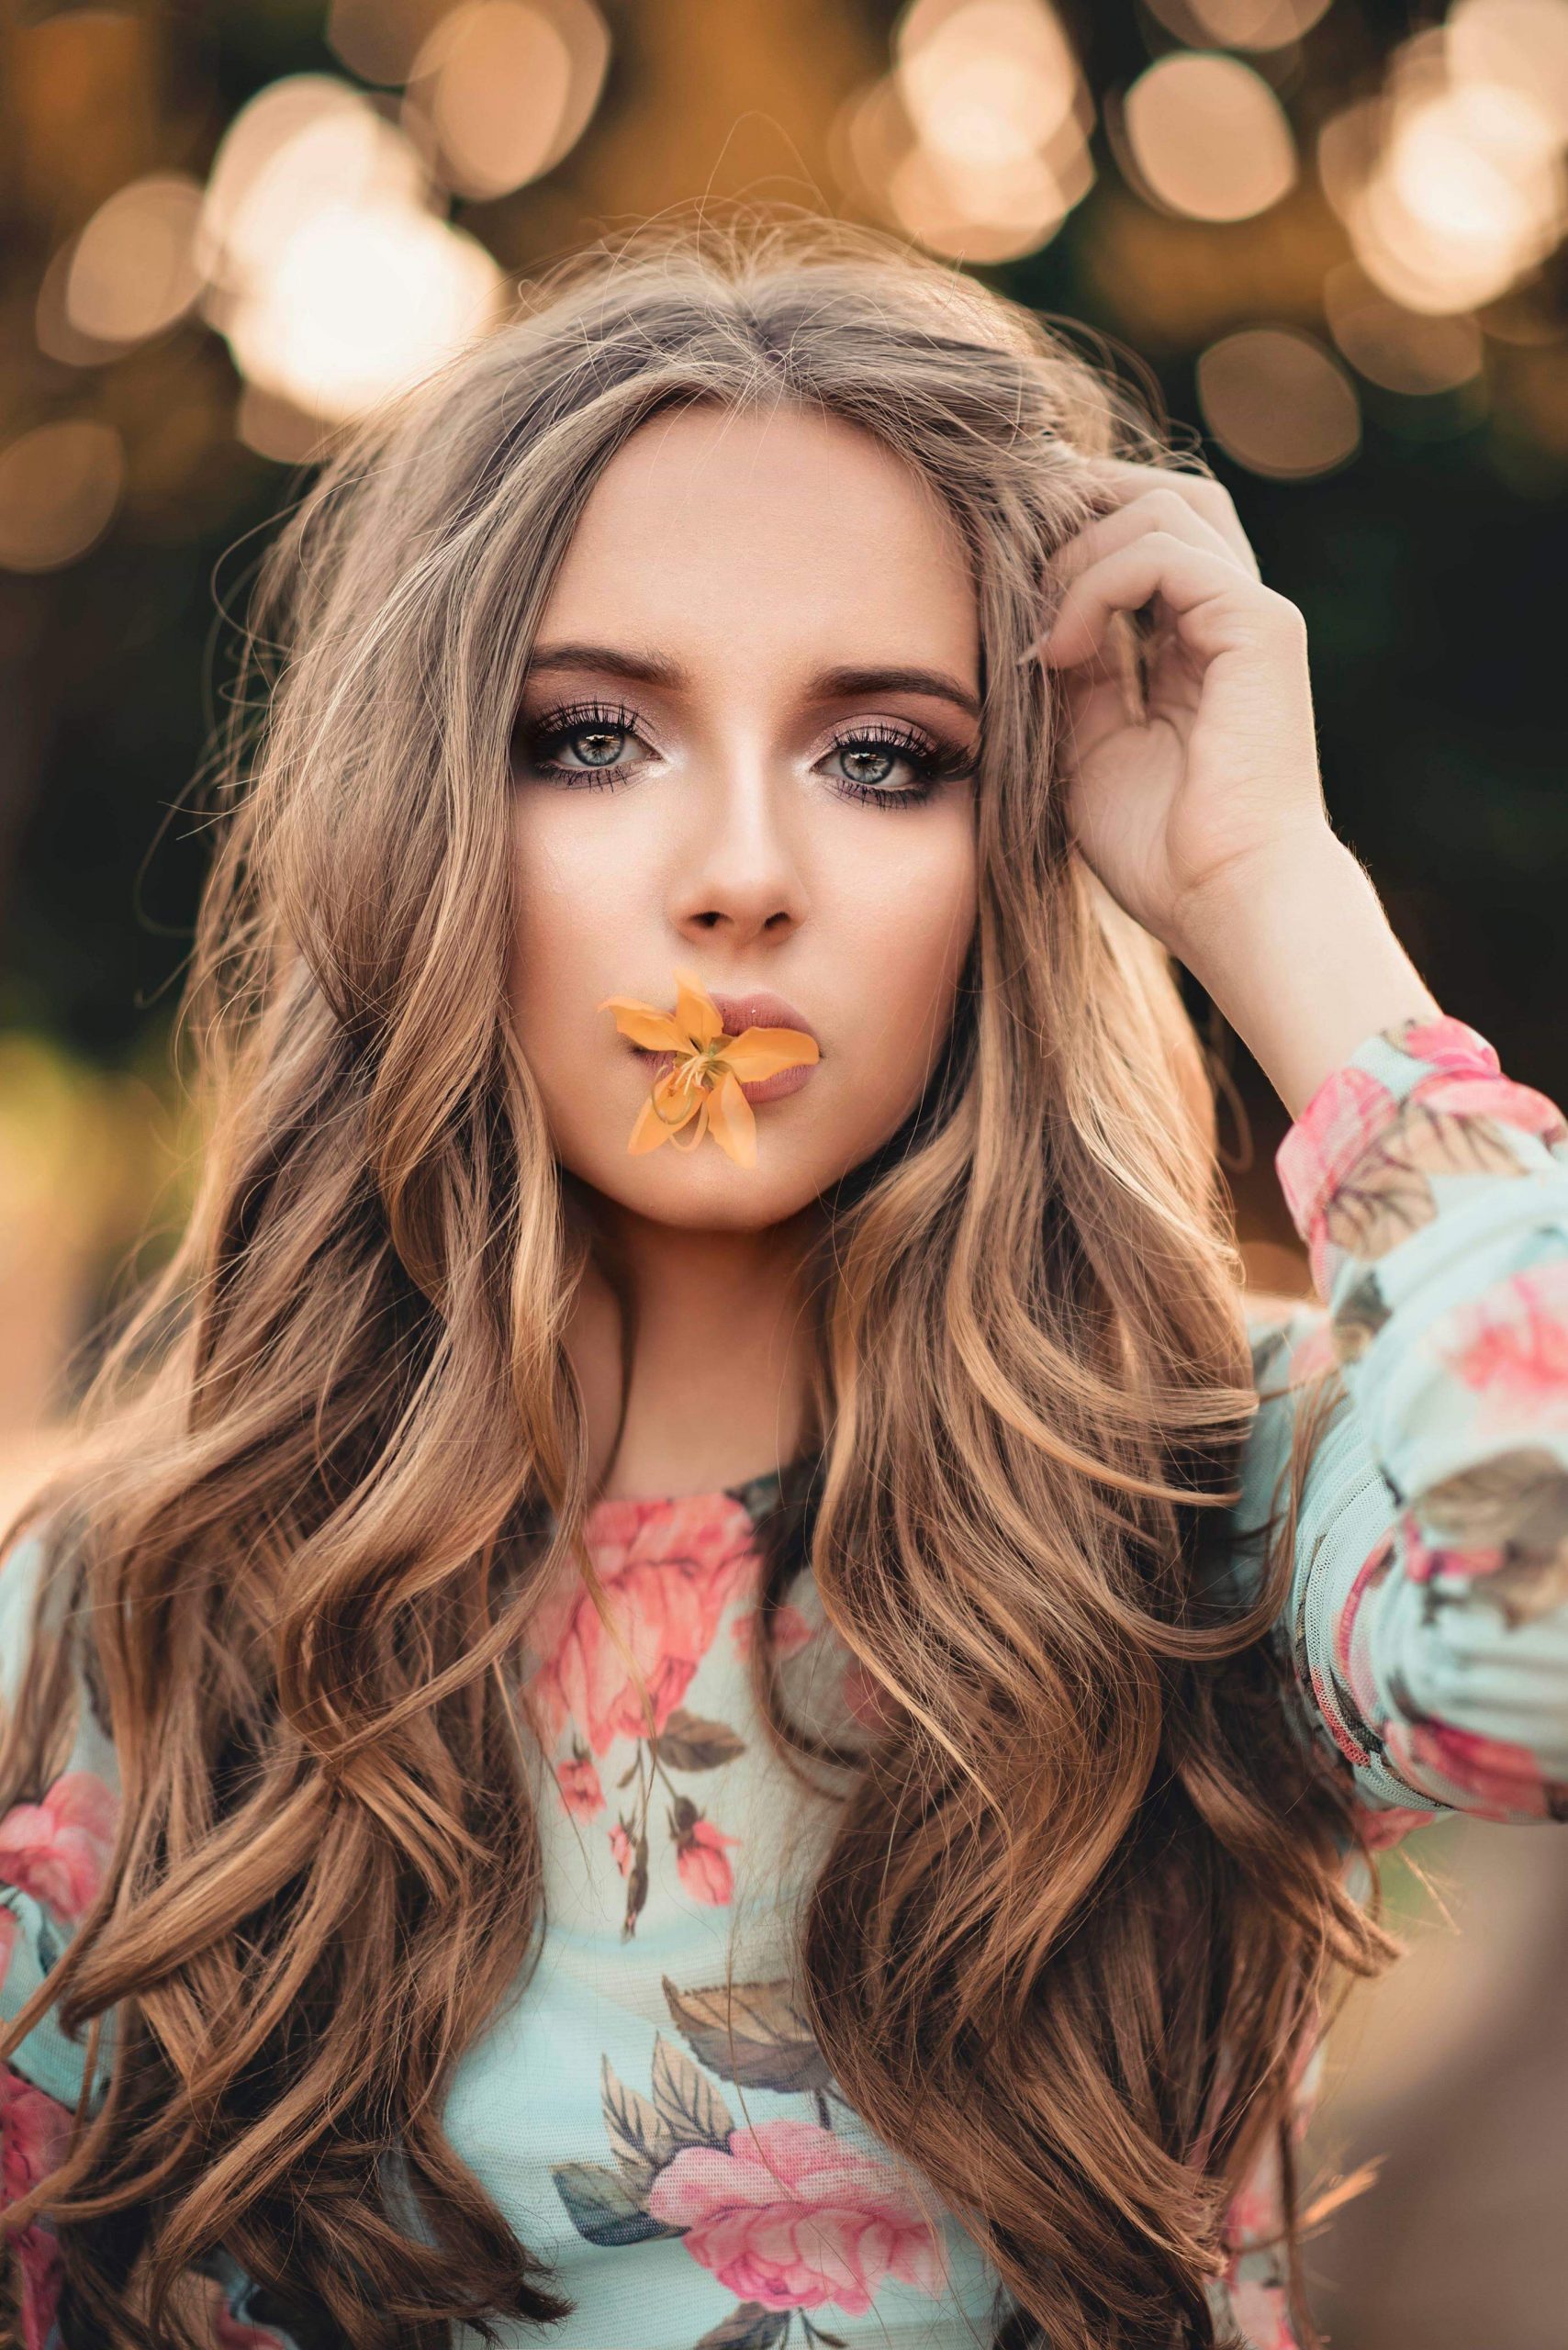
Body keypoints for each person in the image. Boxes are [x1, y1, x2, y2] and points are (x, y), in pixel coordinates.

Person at [0, 216, 1563, 2350]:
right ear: (420, 818)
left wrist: (1269, 889)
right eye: (590, 736)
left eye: (880, 756)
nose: (740, 875)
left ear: (1008, 850)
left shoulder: (1221, 1500)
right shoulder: (108, 1624)